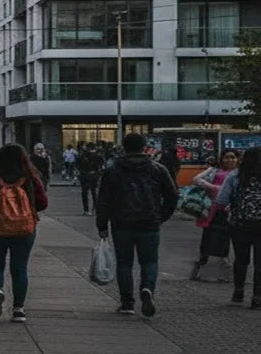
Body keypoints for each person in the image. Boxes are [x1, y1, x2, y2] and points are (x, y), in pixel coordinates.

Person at [96, 131, 179, 318]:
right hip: (149, 223)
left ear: (124, 147)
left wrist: (102, 225)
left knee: (124, 264)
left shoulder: (112, 169)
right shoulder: (157, 169)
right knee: (149, 261)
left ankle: (127, 303)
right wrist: (162, 215)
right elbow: (172, 195)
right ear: (144, 147)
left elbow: (103, 200)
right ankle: (147, 288)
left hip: (121, 223)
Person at [0, 143, 48, 323]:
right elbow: (43, 202)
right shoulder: (30, 178)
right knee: (20, 268)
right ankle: (18, 308)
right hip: (25, 229)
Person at [216, 145, 261, 308]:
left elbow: (221, 201)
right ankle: (257, 297)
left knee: (241, 260)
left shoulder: (235, 176)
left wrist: (232, 207)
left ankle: (238, 292)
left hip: (239, 225)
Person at [190, 150, 237, 281]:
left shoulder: (238, 173)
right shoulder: (213, 170)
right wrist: (213, 187)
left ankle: (221, 270)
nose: (230, 160)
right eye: (227, 157)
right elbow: (196, 179)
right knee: (208, 236)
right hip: (211, 209)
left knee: (224, 238)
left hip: (228, 210)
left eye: (233, 158)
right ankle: (202, 264)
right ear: (221, 159)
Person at [76, 142, 105, 215]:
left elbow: (78, 164)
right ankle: (94, 209)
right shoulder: (98, 156)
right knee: (93, 192)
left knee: (85, 193)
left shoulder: (83, 155)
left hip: (85, 175)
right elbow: (100, 167)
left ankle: (86, 210)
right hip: (92, 175)